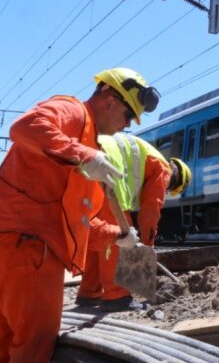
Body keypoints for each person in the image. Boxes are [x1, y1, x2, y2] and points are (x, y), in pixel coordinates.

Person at [0, 67, 159, 363]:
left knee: (7, 340)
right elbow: (23, 127)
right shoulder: (73, 112)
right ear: (110, 99)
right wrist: (84, 156)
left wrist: (120, 237)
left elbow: (79, 224)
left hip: (17, 249)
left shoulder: (87, 146)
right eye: (127, 116)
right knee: (32, 345)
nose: (127, 126)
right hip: (30, 251)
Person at [76, 133, 192, 311]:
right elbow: (150, 212)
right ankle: (117, 296)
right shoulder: (163, 170)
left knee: (101, 236)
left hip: (92, 162)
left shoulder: (150, 158)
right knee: (122, 234)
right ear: (176, 182)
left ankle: (90, 293)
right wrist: (147, 246)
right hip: (107, 173)